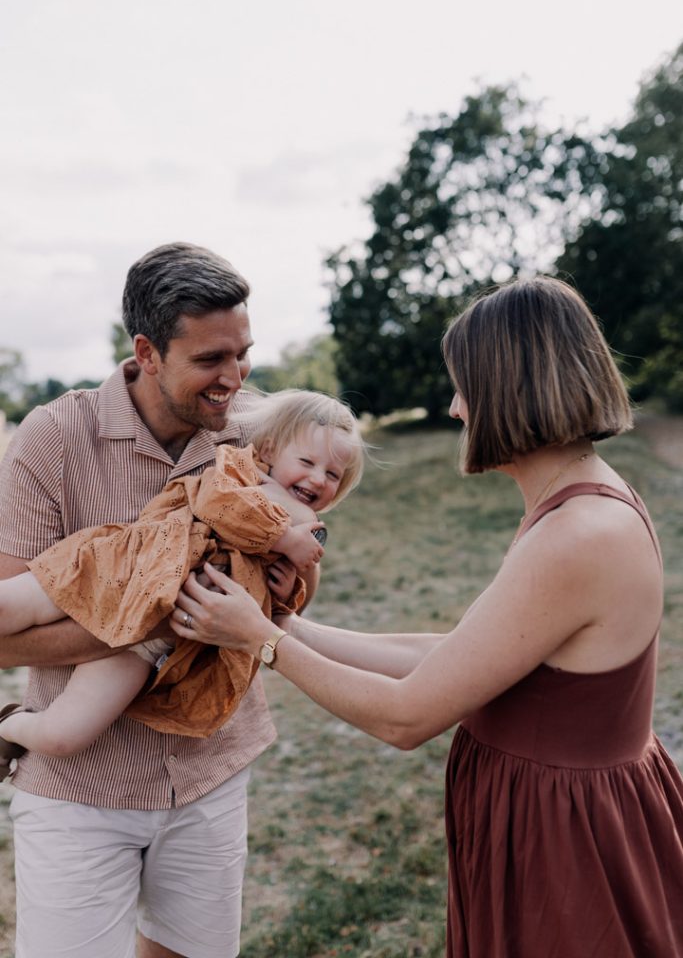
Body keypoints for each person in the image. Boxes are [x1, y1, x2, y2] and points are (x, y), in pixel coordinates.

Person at [169, 276, 683, 957]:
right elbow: (460, 653)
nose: (454, 408)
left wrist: (260, 641)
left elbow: (406, 715)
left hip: (569, 839)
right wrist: (284, 624)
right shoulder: (580, 500)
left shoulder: (579, 534)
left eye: (464, 386)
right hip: (560, 814)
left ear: (510, 388)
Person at [0, 242, 320, 958]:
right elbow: (2, 632)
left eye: (242, 354)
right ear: (146, 351)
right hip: (82, 788)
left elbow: (278, 587)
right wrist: (158, 620)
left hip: (212, 769)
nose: (234, 379)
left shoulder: (252, 438)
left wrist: (275, 588)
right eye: (211, 360)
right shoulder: (52, 439)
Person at [0, 388, 364, 761]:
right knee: (7, 607)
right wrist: (285, 535)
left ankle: (9, 726)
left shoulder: (302, 528)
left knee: (65, 736)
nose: (318, 479)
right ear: (269, 452)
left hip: (149, 640)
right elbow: (214, 504)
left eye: (333, 474)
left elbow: (270, 615)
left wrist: (285, 591)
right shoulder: (242, 473)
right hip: (124, 567)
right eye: (307, 461)